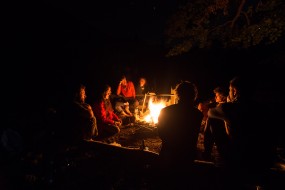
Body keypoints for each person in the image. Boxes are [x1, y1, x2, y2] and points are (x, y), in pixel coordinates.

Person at [208, 76, 275, 189]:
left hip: (237, 157)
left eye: (230, 90)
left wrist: (227, 103)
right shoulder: (262, 108)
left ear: (234, 91)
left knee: (213, 120)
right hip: (260, 158)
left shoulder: (228, 108)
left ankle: (213, 152)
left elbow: (210, 112)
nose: (229, 93)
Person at [156, 81, 204, 189]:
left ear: (177, 94)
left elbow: (160, 132)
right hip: (187, 156)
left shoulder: (165, 111)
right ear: (194, 95)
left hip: (168, 154)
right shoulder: (197, 114)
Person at [56, 82, 98, 147]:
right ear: (77, 94)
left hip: (77, 133)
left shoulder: (79, 104)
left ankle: (89, 138)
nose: (85, 96)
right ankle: (86, 141)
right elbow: (90, 114)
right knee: (92, 118)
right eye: (83, 93)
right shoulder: (73, 104)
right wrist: (89, 108)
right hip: (72, 134)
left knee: (92, 118)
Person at [203, 86, 228, 160]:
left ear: (222, 96)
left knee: (210, 120)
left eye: (217, 95)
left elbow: (210, 112)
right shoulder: (220, 105)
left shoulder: (224, 106)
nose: (215, 97)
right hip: (222, 132)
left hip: (225, 135)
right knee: (210, 121)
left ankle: (207, 152)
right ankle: (207, 152)